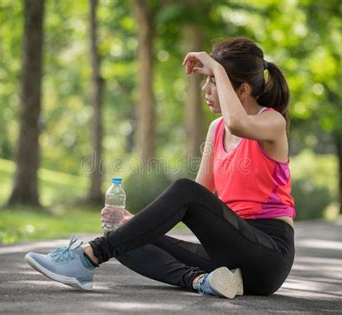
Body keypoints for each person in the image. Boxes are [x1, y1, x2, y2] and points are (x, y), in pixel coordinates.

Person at [25, 38, 295, 299]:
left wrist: (218, 69)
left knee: (180, 191)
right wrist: (137, 221)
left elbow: (236, 125)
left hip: (268, 257)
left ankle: (88, 256)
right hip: (228, 256)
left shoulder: (272, 122)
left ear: (242, 90)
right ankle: (203, 281)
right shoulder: (217, 129)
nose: (205, 90)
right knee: (123, 237)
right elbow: (199, 197)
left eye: (211, 81)